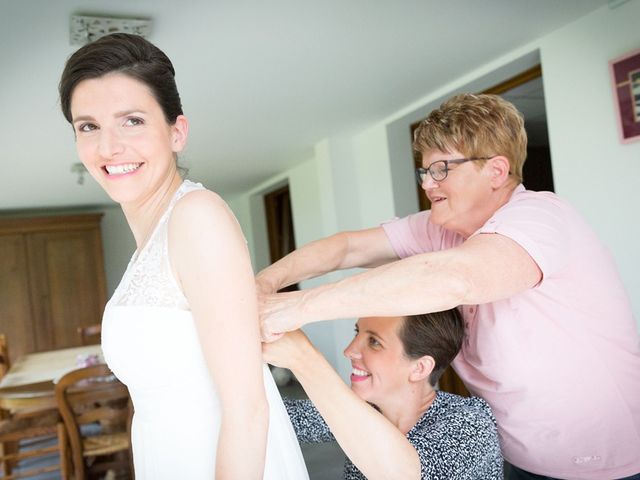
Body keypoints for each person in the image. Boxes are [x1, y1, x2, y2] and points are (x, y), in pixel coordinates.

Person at [257, 93, 640, 480]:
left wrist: (296, 310)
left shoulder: (541, 217)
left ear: (496, 170)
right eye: (423, 171)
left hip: (608, 462)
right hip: (519, 454)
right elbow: (347, 248)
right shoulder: (439, 229)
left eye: (441, 169)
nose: (427, 183)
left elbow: (454, 279)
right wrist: (263, 285)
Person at [59, 33, 308, 479]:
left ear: (177, 132)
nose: (108, 146)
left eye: (131, 120)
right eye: (88, 126)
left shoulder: (197, 217)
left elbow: (248, 410)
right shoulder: (150, 245)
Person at [263, 310, 503, 479]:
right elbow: (271, 415)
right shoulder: (369, 411)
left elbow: (405, 473)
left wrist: (303, 359)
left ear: (419, 368)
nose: (349, 350)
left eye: (374, 342)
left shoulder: (471, 422)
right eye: (357, 332)